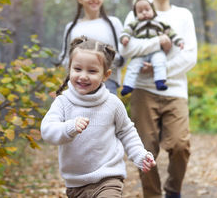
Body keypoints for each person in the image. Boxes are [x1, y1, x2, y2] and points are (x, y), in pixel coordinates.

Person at [41, 36, 156, 197]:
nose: (83, 76)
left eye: (92, 71)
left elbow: (126, 131)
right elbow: (47, 130)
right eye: (77, 69)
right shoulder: (63, 102)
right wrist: (69, 127)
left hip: (108, 178)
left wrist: (139, 154)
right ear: (70, 69)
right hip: (76, 184)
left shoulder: (112, 103)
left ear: (106, 75)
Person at [119, 0, 198, 198]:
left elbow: (190, 56)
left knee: (180, 146)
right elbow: (126, 48)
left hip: (175, 90)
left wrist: (157, 69)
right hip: (142, 90)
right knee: (145, 150)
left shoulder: (183, 15)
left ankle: (173, 191)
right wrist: (158, 42)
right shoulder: (137, 11)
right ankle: (152, 195)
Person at [57, 0, 124, 95]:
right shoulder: (72, 27)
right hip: (79, 85)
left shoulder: (114, 23)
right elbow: (64, 57)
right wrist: (77, 73)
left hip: (108, 85)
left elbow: (123, 54)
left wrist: (103, 66)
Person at [119, 0, 184, 96]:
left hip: (157, 51)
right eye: (140, 11)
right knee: (132, 66)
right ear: (136, 14)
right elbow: (126, 31)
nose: (144, 13)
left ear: (153, 10)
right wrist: (125, 38)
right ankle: (128, 86)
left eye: (147, 9)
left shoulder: (160, 22)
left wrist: (179, 41)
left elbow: (171, 32)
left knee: (160, 62)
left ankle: (160, 81)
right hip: (140, 53)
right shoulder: (134, 23)